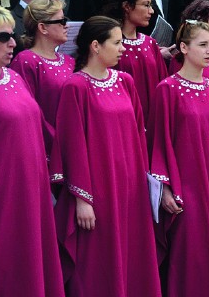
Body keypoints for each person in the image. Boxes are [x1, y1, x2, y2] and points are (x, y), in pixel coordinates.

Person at [51, 16, 161, 296]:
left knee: (132, 256)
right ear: (95, 46)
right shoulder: (75, 87)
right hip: (98, 191)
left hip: (130, 188)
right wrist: (82, 198)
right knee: (99, 262)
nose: (123, 48)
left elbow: (138, 133)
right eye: (116, 42)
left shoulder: (125, 81)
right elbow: (71, 145)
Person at [0, 2, 64, 296]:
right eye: (2, 37)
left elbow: (39, 131)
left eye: (12, 35)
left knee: (33, 262)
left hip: (32, 191)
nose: (12, 43)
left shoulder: (15, 78)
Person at [148, 20, 209, 297]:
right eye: (202, 45)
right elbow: (159, 141)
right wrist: (167, 188)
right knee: (191, 252)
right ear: (183, 47)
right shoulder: (167, 89)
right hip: (186, 186)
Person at [101, 0, 168, 124]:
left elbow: (164, 87)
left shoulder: (150, 44)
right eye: (146, 5)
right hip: (123, 120)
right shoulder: (109, 46)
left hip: (153, 122)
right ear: (127, 6)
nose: (151, 11)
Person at [10, 0, 75, 132]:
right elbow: (29, 109)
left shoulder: (70, 61)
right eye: (62, 21)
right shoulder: (26, 61)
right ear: (43, 27)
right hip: (46, 142)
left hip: (71, 137)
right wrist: (54, 139)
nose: (66, 25)